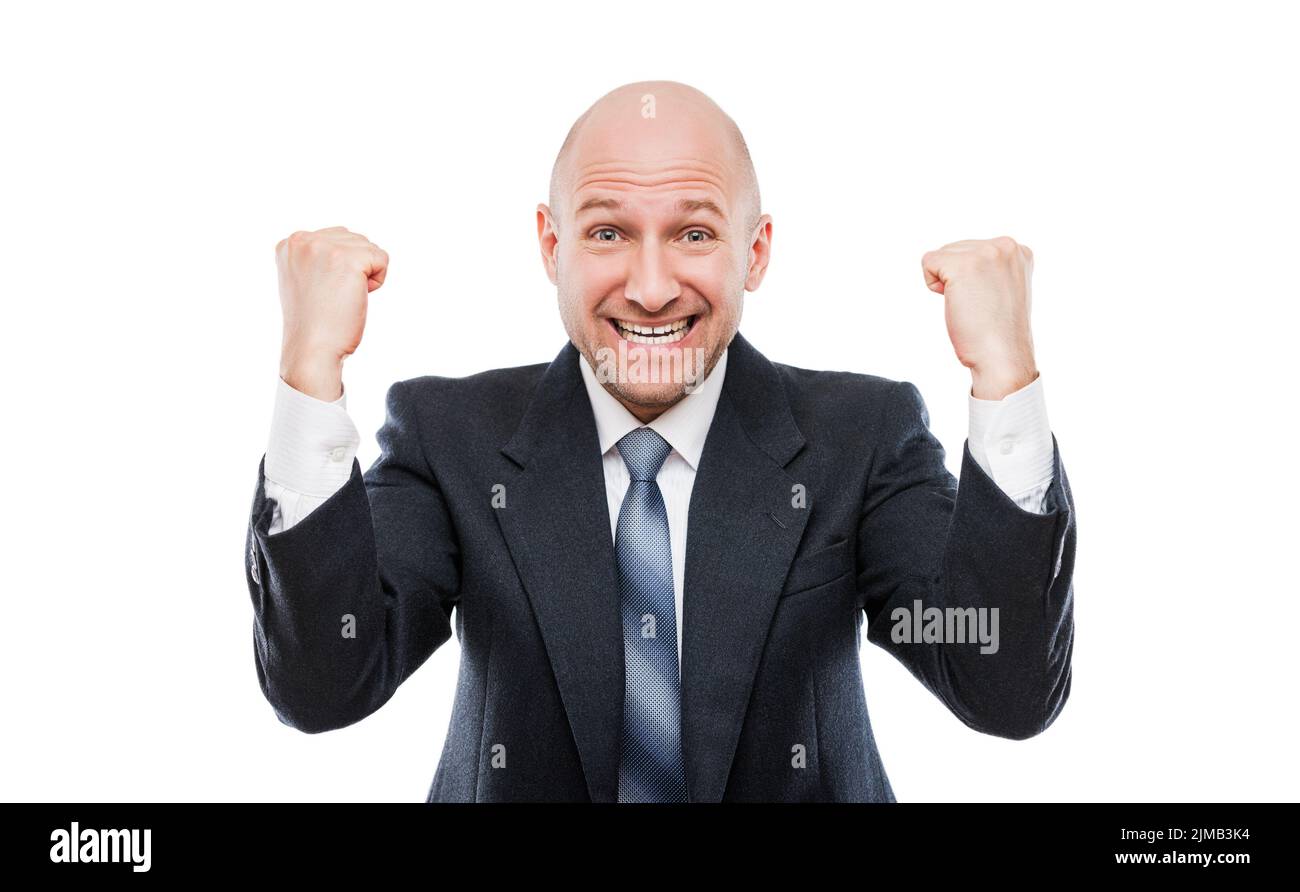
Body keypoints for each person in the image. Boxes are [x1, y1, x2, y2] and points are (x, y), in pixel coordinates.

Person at [244, 80, 1076, 802]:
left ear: (755, 252)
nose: (649, 288)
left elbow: (1002, 687)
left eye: (694, 234)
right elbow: (323, 685)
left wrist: (1005, 374)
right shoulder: (450, 436)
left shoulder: (860, 438)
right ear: (551, 245)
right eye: (608, 233)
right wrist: (309, 371)